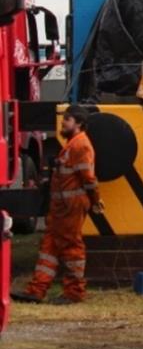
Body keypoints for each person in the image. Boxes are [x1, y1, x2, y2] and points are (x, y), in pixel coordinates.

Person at [12, 106, 104, 304]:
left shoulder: (80, 145)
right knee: (49, 247)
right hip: (61, 207)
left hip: (70, 207)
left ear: (78, 123)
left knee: (71, 247)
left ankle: (74, 293)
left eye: (67, 119)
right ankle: (36, 290)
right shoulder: (72, 145)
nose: (63, 122)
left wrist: (95, 200)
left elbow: (88, 178)